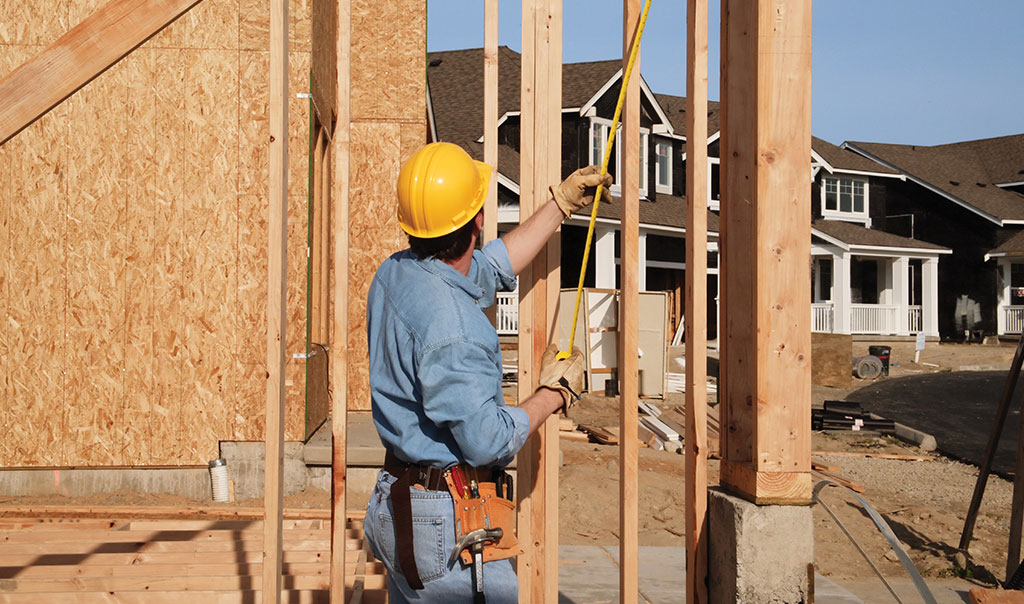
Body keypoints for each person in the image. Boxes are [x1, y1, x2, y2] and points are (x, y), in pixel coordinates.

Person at [363, 141, 611, 603]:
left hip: (397, 502)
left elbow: (492, 264)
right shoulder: (456, 330)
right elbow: (488, 441)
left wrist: (560, 204)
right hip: (445, 525)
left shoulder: (398, 273)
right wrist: (554, 393)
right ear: (477, 220)